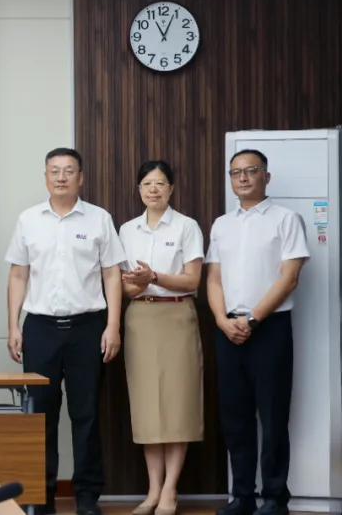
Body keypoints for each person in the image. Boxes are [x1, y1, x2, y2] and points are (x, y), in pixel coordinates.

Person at [5, 147, 125, 515]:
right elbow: (18, 274)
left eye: (68, 170)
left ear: (80, 177)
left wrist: (113, 326)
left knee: (86, 414)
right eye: (54, 171)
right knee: (40, 414)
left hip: (87, 328)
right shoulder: (28, 220)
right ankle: (41, 498)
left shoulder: (99, 219)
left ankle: (87, 497)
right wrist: (13, 325)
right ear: (45, 177)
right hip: (40, 328)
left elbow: (112, 274)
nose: (61, 177)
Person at [206, 149, 308, 515]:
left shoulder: (286, 219)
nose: (243, 177)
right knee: (235, 417)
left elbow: (290, 277)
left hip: (269, 329)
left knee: (274, 415)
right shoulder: (221, 224)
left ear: (266, 176)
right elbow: (213, 278)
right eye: (236, 172)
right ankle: (243, 496)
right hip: (227, 329)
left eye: (251, 170)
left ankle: (275, 498)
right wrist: (222, 320)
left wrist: (252, 320)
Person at [118, 160, 204, 515]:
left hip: (177, 316)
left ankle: (171, 489)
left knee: (178, 403)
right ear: (139, 189)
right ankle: (153, 490)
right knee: (147, 406)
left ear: (171, 189)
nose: (153, 189)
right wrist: (137, 285)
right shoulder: (127, 230)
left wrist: (153, 277)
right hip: (140, 318)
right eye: (147, 184)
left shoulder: (186, 226)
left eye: (160, 183)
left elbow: (193, 280)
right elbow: (122, 286)